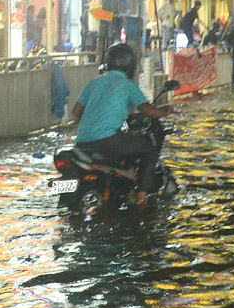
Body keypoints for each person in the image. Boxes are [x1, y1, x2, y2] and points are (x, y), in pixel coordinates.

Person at [72, 43, 173, 209]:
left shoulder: (92, 83)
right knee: (149, 151)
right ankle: (141, 197)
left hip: (82, 142)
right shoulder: (128, 86)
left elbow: (76, 111)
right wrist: (165, 110)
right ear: (131, 65)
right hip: (107, 139)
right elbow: (150, 112)